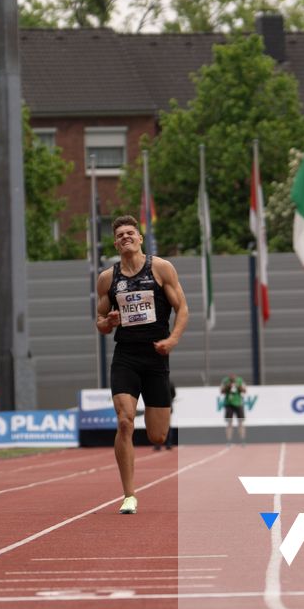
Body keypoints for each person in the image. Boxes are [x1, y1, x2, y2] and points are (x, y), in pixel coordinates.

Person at [94, 215, 188, 516]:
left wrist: (172, 339)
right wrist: (107, 322)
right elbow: (99, 321)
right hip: (126, 356)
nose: (125, 237)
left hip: (156, 355)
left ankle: (153, 428)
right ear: (115, 242)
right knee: (124, 421)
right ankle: (129, 495)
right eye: (120, 234)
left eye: (130, 233)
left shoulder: (160, 268)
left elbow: (182, 307)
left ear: (140, 238)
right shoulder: (107, 278)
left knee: (157, 436)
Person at [219, 374, 249, 444]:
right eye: (231, 378)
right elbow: (221, 391)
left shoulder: (240, 380)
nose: (232, 378)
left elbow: (244, 390)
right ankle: (229, 440)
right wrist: (228, 386)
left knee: (241, 422)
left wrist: (238, 386)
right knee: (229, 422)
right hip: (229, 404)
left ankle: (242, 440)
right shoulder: (225, 381)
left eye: (234, 378)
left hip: (238, 403)